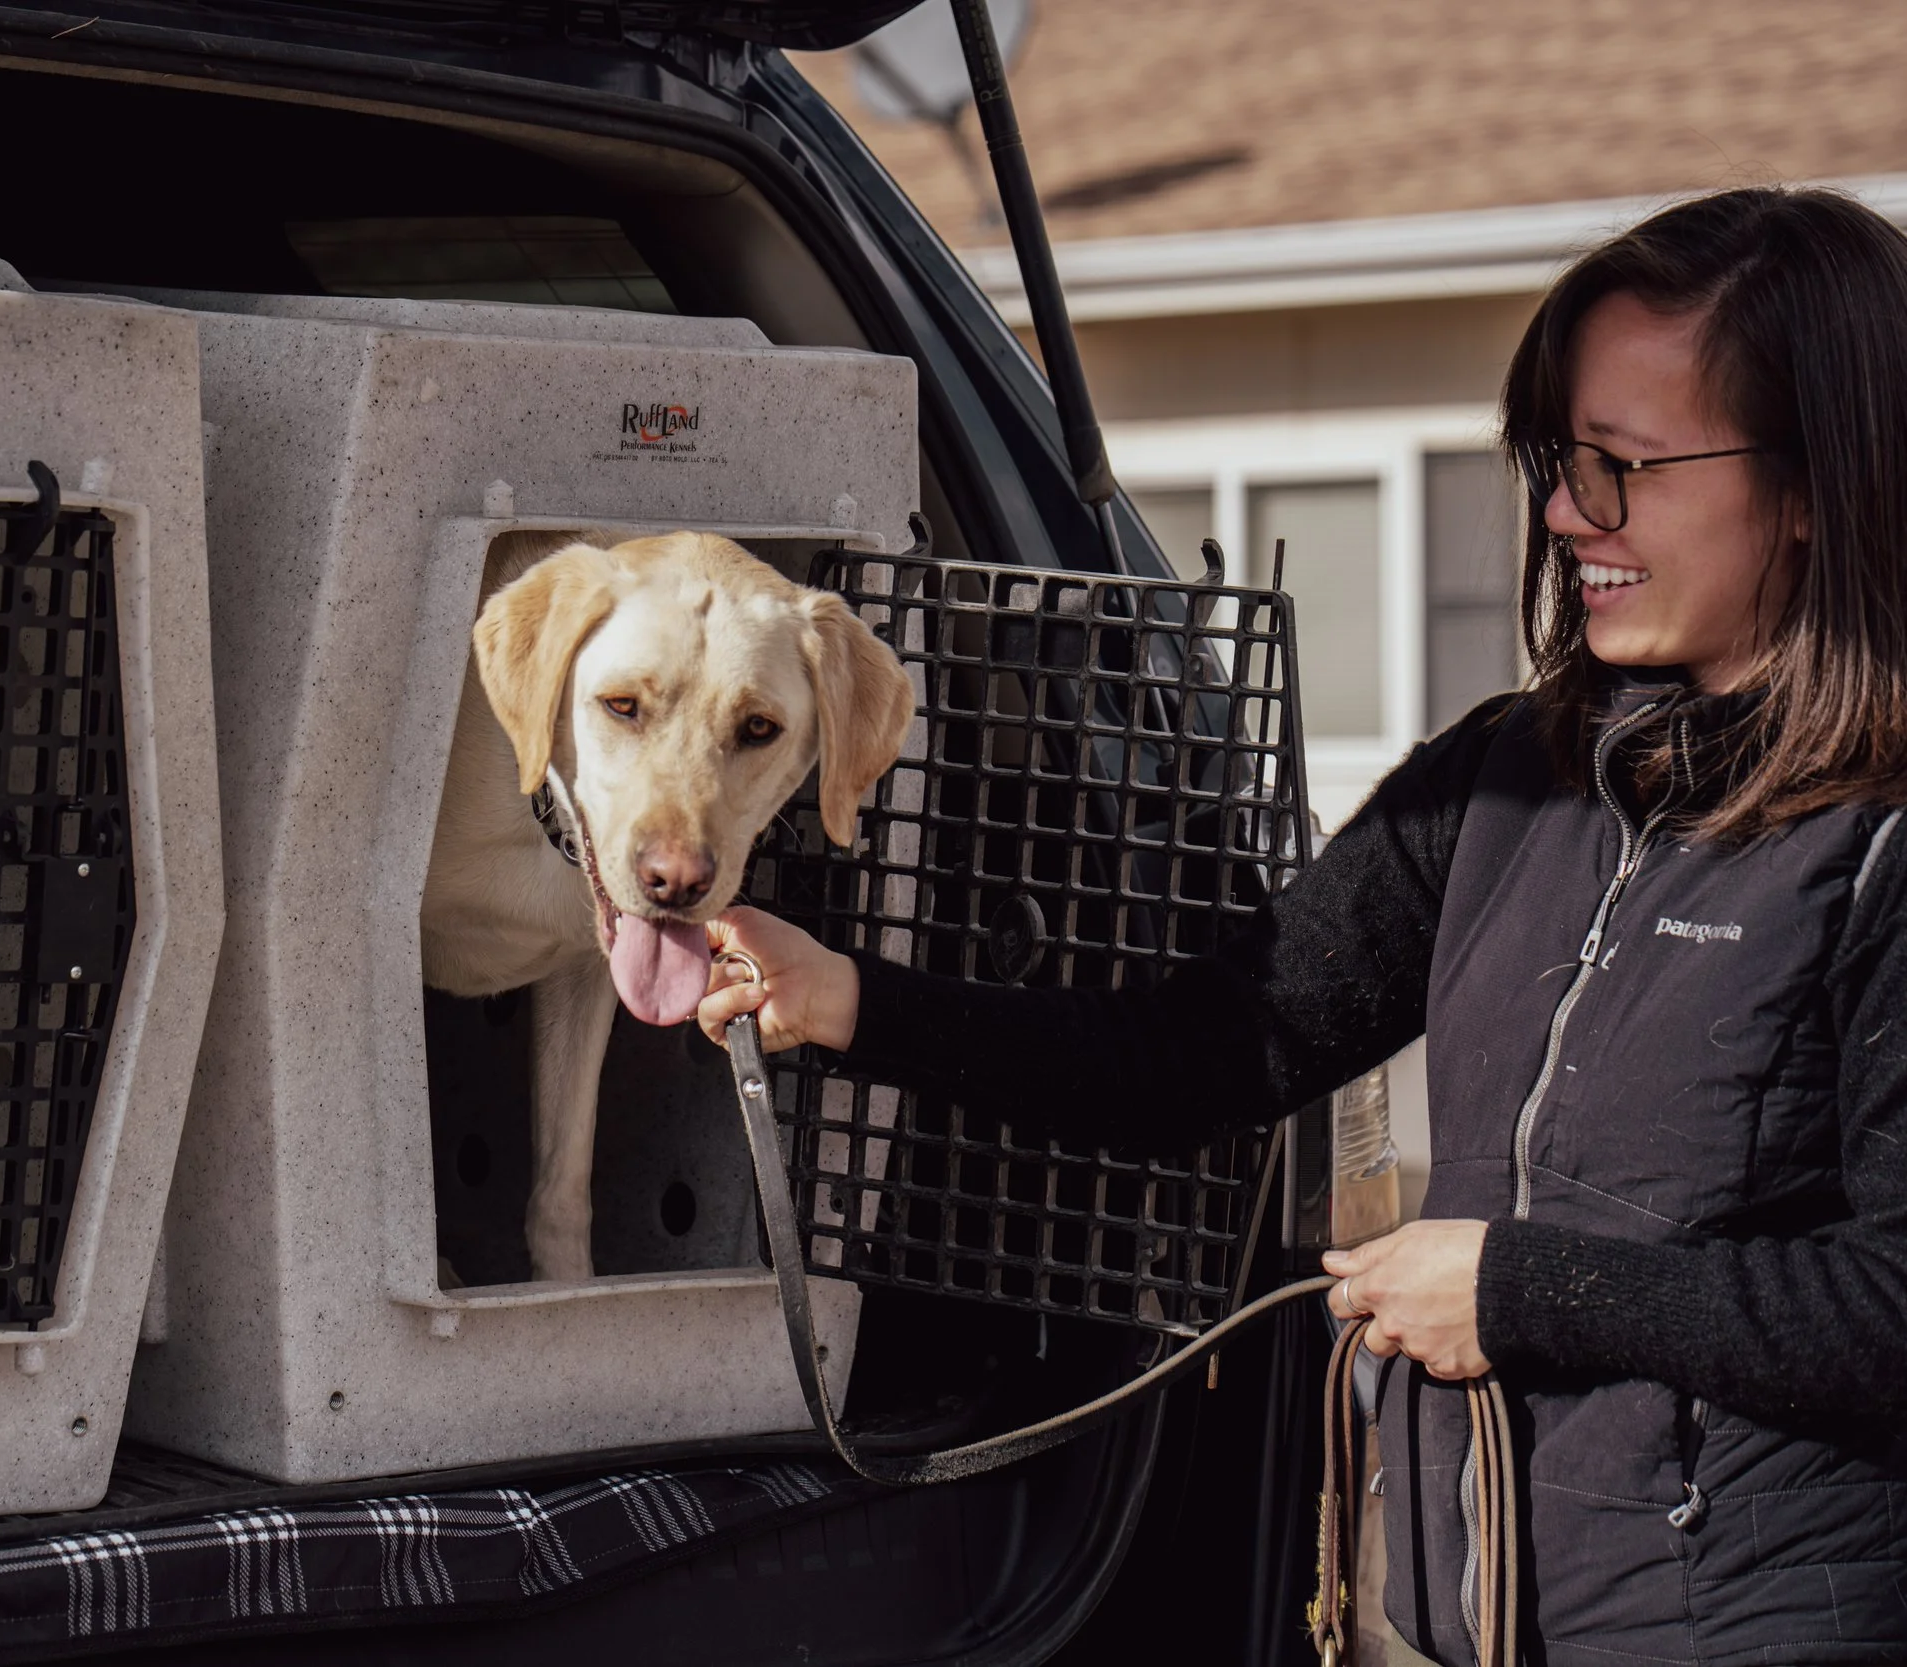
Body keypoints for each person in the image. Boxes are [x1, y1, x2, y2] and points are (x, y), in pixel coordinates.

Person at [697, 185, 1907, 1666]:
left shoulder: (1883, 841)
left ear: (1814, 487)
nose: (1563, 512)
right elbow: (1208, 1045)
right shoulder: (1504, 781)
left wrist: (1520, 1290)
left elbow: (1889, 1306)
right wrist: (849, 1001)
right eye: (1553, 458)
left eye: (1624, 467)